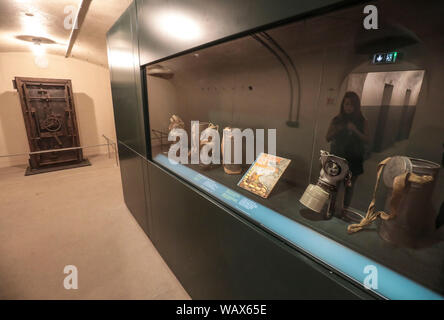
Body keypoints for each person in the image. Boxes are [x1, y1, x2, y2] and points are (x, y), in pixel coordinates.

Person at [326, 91, 369, 208]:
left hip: (354, 158)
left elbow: (367, 139)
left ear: (356, 106)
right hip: (338, 156)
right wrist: (339, 129)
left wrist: (355, 130)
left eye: (352, 105)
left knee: (349, 186)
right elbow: (327, 137)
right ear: (342, 105)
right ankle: (331, 208)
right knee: (334, 185)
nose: (349, 107)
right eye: (346, 104)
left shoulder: (362, 120)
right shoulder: (337, 119)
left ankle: (344, 210)